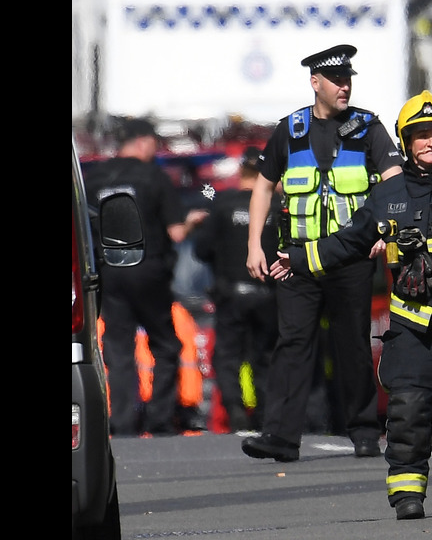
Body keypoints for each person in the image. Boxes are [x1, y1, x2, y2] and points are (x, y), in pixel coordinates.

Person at [269, 90, 432, 519]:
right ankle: (407, 495)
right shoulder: (387, 194)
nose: (430, 143)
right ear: (405, 142)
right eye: (420, 136)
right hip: (412, 316)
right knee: (407, 407)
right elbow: (349, 242)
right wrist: (299, 258)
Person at [242, 44, 403, 461]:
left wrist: (387, 228)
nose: (344, 87)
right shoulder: (290, 130)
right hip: (294, 259)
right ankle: (280, 435)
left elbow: (393, 179)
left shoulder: (368, 127)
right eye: (336, 80)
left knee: (351, 345)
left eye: (348, 79)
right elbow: (263, 186)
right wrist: (254, 244)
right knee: (293, 344)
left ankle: (365, 431)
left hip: (348, 259)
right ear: (316, 83)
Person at [84, 117, 208, 436]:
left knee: (118, 348)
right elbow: (177, 233)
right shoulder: (154, 176)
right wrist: (193, 221)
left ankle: (123, 422)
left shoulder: (95, 179)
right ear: (142, 142)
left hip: (110, 272)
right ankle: (161, 419)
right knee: (166, 344)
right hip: (148, 269)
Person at [193, 147, 279, 432]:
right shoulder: (277, 206)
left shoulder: (222, 204)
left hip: (231, 294)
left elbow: (201, 249)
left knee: (228, 357)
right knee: (264, 357)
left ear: (242, 171)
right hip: (269, 294)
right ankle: (265, 416)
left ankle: (235, 411)